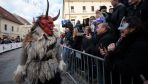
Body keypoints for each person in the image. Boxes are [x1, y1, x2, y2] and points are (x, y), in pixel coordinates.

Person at [100, 16, 148, 84]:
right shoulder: (124, 40)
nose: (120, 30)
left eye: (123, 27)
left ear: (132, 28)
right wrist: (109, 53)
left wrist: (110, 53)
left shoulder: (140, 44)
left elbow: (127, 67)